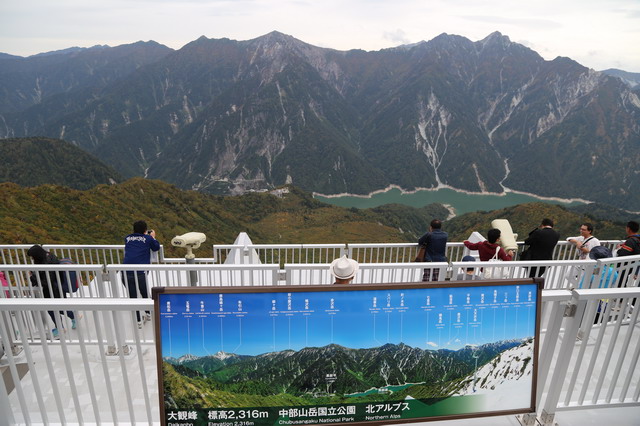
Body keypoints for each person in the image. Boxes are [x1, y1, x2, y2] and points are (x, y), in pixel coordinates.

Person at [27, 244, 75, 339]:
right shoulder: (50, 255)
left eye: (32, 257)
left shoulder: (44, 264)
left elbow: (45, 281)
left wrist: (32, 276)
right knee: (60, 307)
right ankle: (73, 318)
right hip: (59, 286)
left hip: (52, 290)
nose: (32, 259)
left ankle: (61, 328)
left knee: (52, 309)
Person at [122, 220, 160, 328]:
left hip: (125, 271)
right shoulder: (147, 238)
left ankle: (138, 321)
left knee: (132, 296)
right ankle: (148, 314)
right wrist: (152, 237)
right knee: (144, 293)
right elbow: (156, 247)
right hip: (140, 272)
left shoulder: (127, 238)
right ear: (145, 230)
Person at [615, 221, 640, 286]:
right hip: (635, 265)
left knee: (620, 282)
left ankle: (620, 295)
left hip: (627, 266)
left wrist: (619, 249)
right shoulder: (638, 239)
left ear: (628, 229)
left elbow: (623, 254)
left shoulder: (630, 241)